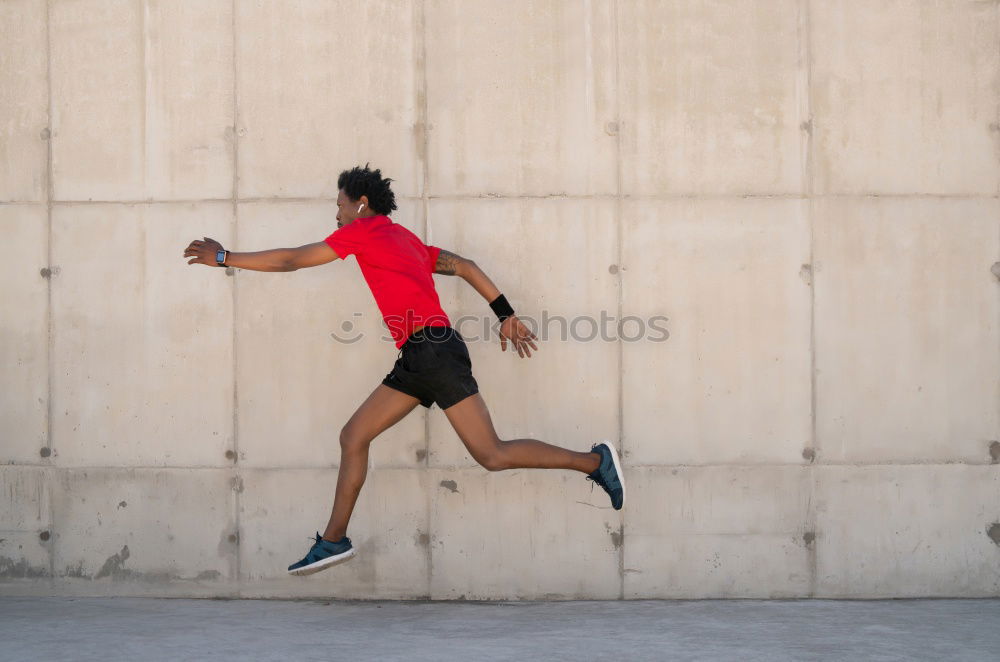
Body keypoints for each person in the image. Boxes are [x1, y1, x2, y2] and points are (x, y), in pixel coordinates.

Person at [183, 165, 625, 576]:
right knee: (353, 436)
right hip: (420, 354)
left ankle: (594, 461)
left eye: (339, 203)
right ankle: (334, 541)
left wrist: (224, 257)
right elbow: (466, 267)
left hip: (432, 351)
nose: (335, 212)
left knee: (492, 454)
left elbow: (292, 260)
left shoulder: (363, 233)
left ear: (360, 203)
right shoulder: (406, 240)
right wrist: (504, 313)